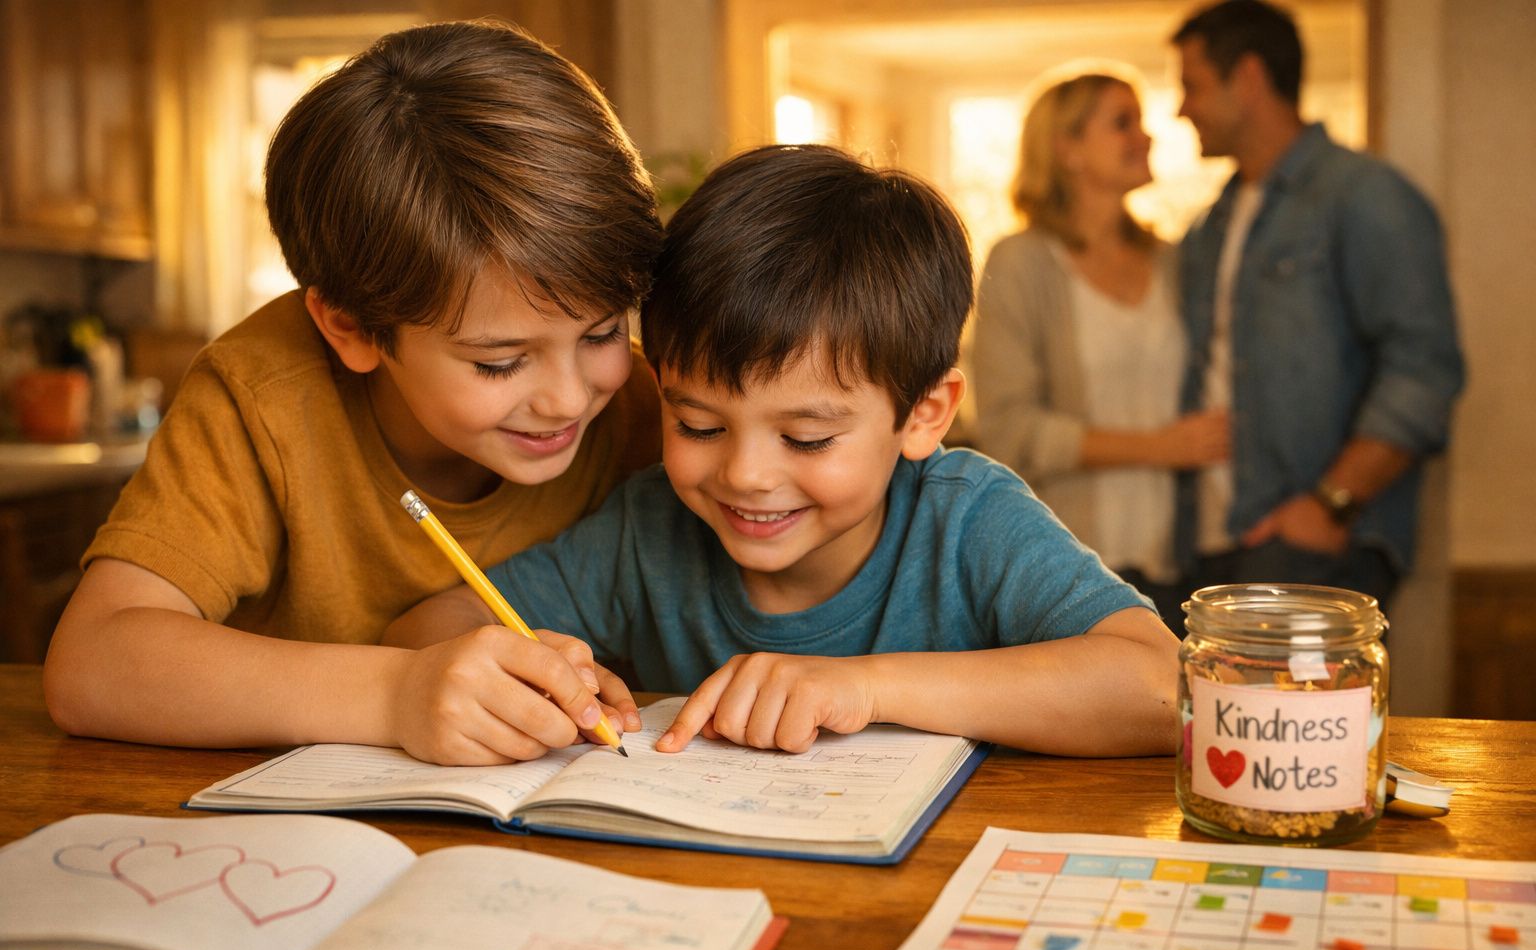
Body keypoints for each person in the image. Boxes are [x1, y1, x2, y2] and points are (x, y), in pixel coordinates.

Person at [386, 144, 1179, 758]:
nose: (746, 475)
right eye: (697, 425)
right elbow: (432, 624)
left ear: (923, 414)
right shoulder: (647, 527)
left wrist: (862, 689)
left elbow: (1161, 685)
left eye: (805, 438)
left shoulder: (966, 519)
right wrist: (521, 674)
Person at [43, 21, 665, 767]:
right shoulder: (263, 396)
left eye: (601, 333)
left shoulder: (650, 410)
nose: (569, 397)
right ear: (351, 326)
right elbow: (91, 665)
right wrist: (396, 691)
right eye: (499, 363)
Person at [1171, 0, 1464, 607]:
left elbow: (1423, 366)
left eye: (1192, 86)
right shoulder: (1210, 226)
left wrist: (1331, 503)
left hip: (1316, 540)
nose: (1182, 109)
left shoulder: (1364, 196)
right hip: (1212, 544)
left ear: (1248, 77)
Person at [970, 71, 1228, 632]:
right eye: (1122, 123)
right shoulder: (1020, 263)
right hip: (1064, 560)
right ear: (1067, 149)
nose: (1146, 136)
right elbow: (1009, 429)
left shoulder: (1173, 261)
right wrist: (1159, 448)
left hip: (1180, 559)